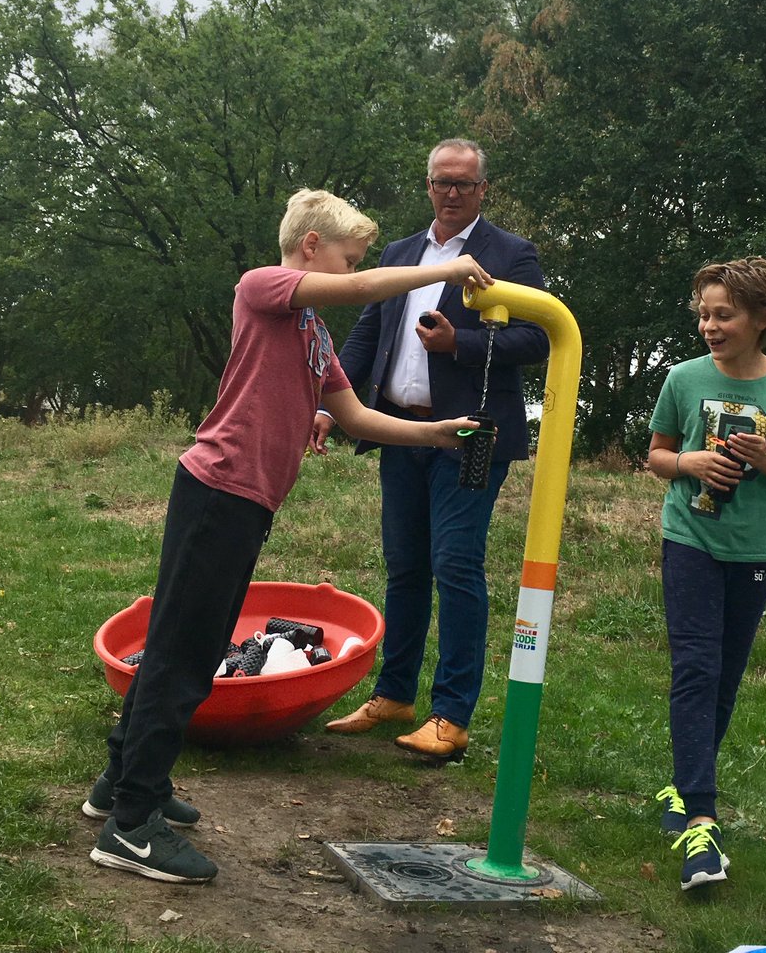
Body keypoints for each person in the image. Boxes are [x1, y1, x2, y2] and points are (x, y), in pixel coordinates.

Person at [83, 188, 493, 885]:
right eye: (346, 257)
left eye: (356, 261)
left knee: (196, 642)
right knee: (184, 654)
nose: (353, 270)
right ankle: (132, 824)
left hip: (245, 503)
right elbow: (364, 288)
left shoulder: (311, 335)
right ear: (311, 248)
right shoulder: (263, 287)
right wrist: (444, 271)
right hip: (217, 489)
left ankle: (121, 781)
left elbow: (356, 417)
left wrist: (432, 433)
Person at [316, 138, 548, 763]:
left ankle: (451, 715)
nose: (451, 193)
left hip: (471, 435)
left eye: (463, 184)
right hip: (399, 431)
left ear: (482, 190)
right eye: (441, 182)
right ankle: (394, 695)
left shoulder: (509, 253)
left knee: (457, 567)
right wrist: (325, 405)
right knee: (406, 566)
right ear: (427, 187)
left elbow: (540, 337)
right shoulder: (399, 254)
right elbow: (368, 333)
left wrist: (459, 346)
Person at [646, 257, 766, 891]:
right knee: (696, 665)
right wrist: (692, 461)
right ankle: (702, 820)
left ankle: (681, 787)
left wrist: (764, 459)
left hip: (755, 550)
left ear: (762, 319)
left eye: (724, 315)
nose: (709, 326)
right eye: (703, 314)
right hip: (688, 538)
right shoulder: (683, 378)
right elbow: (658, 455)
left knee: (724, 675)